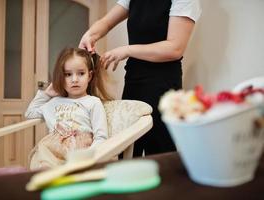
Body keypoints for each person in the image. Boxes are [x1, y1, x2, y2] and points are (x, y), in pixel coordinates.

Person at [79, 0, 201, 157]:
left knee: (159, 152)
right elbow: (106, 22)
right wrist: (90, 35)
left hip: (163, 84)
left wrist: (127, 50)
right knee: (127, 148)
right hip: (134, 80)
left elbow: (174, 48)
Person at [25, 47, 111, 170]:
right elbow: (30, 113)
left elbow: (101, 137)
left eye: (81, 73)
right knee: (42, 158)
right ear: (61, 77)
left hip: (79, 150)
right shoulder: (54, 102)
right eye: (68, 74)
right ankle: (46, 173)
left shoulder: (92, 102)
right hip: (53, 149)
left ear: (90, 76)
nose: (74, 79)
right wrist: (47, 93)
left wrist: (89, 157)